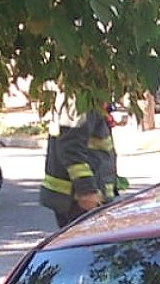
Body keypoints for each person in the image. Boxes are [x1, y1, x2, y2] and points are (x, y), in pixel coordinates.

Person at [39, 98, 127, 229]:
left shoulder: (91, 99)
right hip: (76, 200)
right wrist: (87, 190)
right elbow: (71, 149)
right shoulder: (81, 100)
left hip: (82, 196)